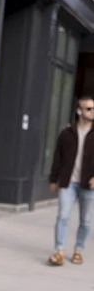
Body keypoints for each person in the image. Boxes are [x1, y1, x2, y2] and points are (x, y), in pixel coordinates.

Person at [48, 95, 94, 265]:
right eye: (88, 108)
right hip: (68, 182)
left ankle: (78, 250)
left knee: (86, 221)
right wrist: (54, 179)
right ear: (79, 111)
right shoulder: (66, 133)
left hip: (88, 184)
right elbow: (57, 157)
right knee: (63, 216)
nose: (92, 112)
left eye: (93, 108)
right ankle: (59, 251)